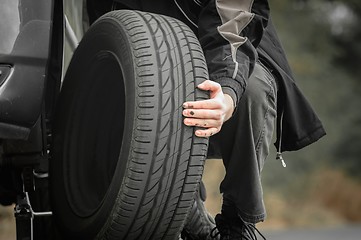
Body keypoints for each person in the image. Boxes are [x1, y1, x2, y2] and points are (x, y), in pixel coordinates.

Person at [86, 0, 326, 239]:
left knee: (251, 91)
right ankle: (184, 211)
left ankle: (237, 223)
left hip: (225, 53)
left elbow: (233, 22)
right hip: (144, 69)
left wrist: (228, 89)